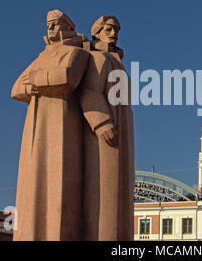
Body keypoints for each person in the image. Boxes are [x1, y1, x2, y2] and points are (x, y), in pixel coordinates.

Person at [11, 9, 89, 240]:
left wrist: (35, 80)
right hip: (36, 123)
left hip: (63, 119)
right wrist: (36, 83)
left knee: (60, 178)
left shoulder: (76, 52)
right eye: (48, 25)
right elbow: (16, 88)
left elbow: (67, 78)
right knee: (34, 178)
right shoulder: (41, 56)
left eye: (55, 24)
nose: (51, 29)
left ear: (67, 26)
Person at [78, 15, 135, 240]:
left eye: (116, 29)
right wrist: (101, 122)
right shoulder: (98, 57)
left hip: (122, 133)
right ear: (97, 32)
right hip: (105, 133)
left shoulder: (116, 61)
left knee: (121, 192)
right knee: (106, 193)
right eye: (109, 29)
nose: (114, 33)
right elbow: (90, 90)